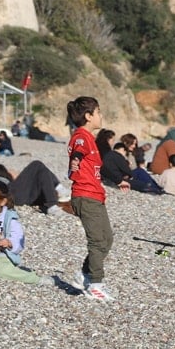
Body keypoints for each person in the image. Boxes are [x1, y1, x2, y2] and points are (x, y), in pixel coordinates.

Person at [66, 96, 115, 302]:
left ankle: (83, 274)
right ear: (88, 116)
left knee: (107, 238)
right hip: (85, 196)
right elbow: (77, 150)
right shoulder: (81, 136)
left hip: (95, 195)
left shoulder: (92, 140)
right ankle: (96, 284)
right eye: (98, 112)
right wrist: (75, 160)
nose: (101, 116)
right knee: (96, 241)